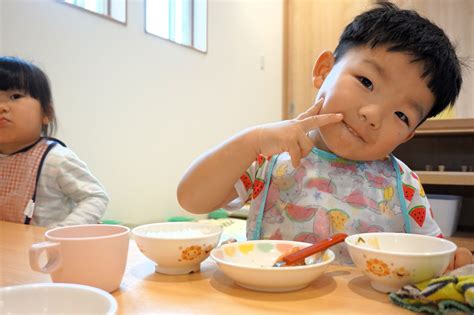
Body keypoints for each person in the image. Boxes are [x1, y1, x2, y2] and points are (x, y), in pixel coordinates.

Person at [177, 2, 472, 267]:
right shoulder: (273, 157)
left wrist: (449, 261)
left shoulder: (403, 184)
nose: (373, 115)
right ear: (323, 70)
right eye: (366, 81)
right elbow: (192, 199)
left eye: (401, 115)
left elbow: (432, 253)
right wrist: (253, 141)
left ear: (407, 136)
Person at [0, 56, 109, 228]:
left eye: (15, 96)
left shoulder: (56, 160)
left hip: (51, 250)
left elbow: (95, 197)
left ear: (47, 114)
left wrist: (62, 232)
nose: (2, 107)